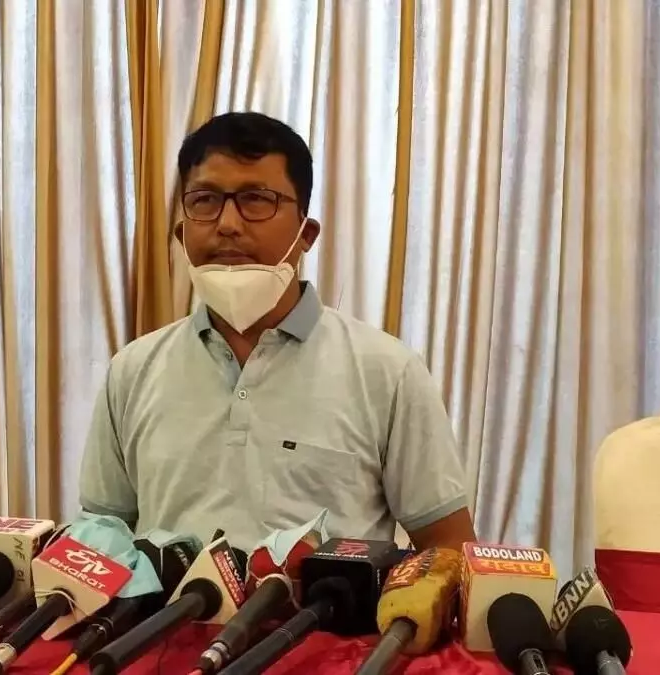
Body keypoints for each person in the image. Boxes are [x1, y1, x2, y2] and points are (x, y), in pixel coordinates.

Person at [79, 111, 475, 552]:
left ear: (307, 233)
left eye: (256, 199)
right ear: (181, 232)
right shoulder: (132, 371)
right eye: (205, 200)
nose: (228, 223)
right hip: (164, 601)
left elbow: (447, 547)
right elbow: (100, 540)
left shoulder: (387, 372)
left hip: (326, 601)